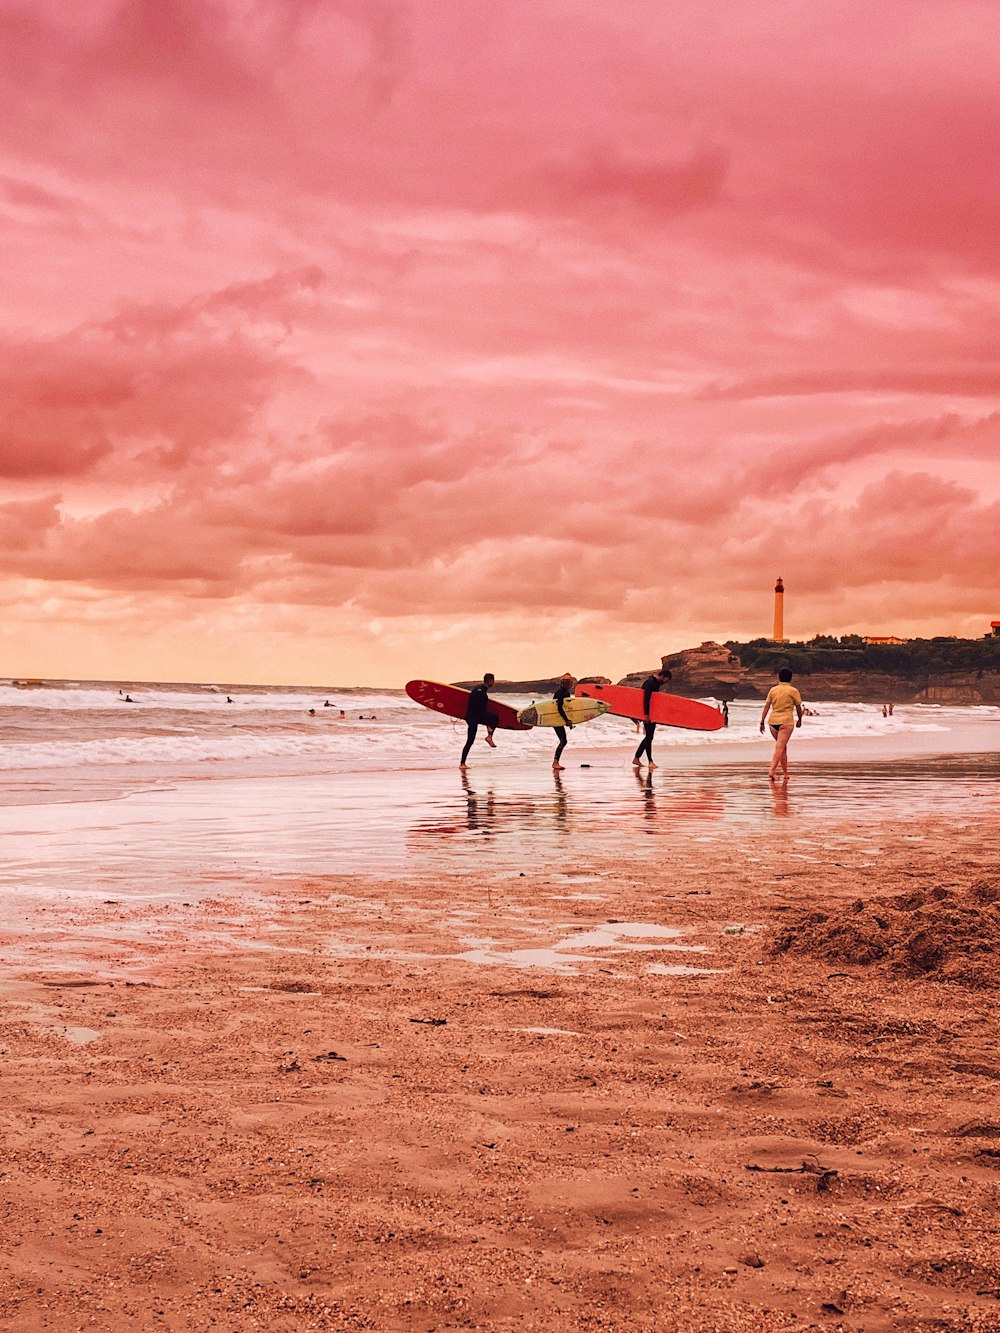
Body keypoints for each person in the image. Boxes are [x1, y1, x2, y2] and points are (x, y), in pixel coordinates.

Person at [759, 667, 804, 781]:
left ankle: (785, 774)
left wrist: (762, 721)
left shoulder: (773, 690)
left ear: (779, 677)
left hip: (773, 722)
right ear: (791, 678)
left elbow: (767, 706)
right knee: (780, 747)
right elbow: (798, 708)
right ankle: (772, 770)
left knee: (782, 748)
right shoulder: (793, 691)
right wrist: (799, 719)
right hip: (786, 722)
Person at [633, 667, 671, 770]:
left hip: (652, 714)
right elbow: (646, 699)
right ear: (662, 676)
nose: (665, 683)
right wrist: (646, 715)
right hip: (647, 714)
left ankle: (637, 758)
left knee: (649, 737)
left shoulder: (656, 683)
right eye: (666, 680)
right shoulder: (650, 683)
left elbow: (654, 701)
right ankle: (650, 762)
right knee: (649, 737)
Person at [460, 673, 498, 767]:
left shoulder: (479, 689)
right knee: (495, 718)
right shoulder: (480, 692)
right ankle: (489, 736)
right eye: (493, 680)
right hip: (474, 717)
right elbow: (479, 709)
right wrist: (488, 724)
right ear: (490, 681)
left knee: (470, 741)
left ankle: (462, 763)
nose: (493, 682)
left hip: (472, 717)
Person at [552, 674, 575, 770]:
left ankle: (556, 762)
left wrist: (569, 721)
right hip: (556, 718)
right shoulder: (560, 693)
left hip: (559, 718)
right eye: (568, 682)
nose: (570, 684)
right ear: (564, 683)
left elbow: (566, 708)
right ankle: (555, 763)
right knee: (563, 741)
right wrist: (566, 720)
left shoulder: (565, 693)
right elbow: (559, 708)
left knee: (563, 741)